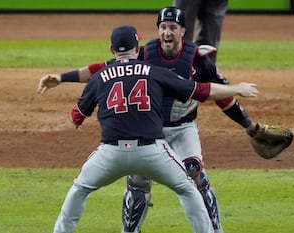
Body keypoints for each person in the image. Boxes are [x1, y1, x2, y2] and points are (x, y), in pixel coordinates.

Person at [39, 7, 259, 233]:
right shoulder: (146, 59)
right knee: (153, 183)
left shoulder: (197, 59)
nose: (167, 32)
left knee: (194, 173)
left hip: (179, 129)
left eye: (173, 27)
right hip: (152, 136)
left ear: (183, 30)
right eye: (163, 27)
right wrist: (237, 88)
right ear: (139, 45)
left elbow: (95, 80)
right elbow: (201, 91)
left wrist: (248, 124)